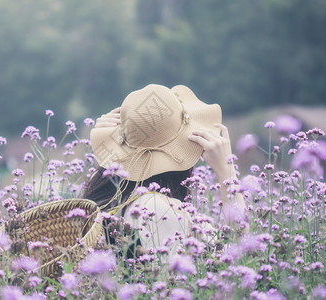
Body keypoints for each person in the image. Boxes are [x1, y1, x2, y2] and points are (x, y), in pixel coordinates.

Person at [82, 84, 247, 254]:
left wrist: (108, 150)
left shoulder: (109, 200)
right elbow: (237, 255)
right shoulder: (159, 209)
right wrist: (227, 173)